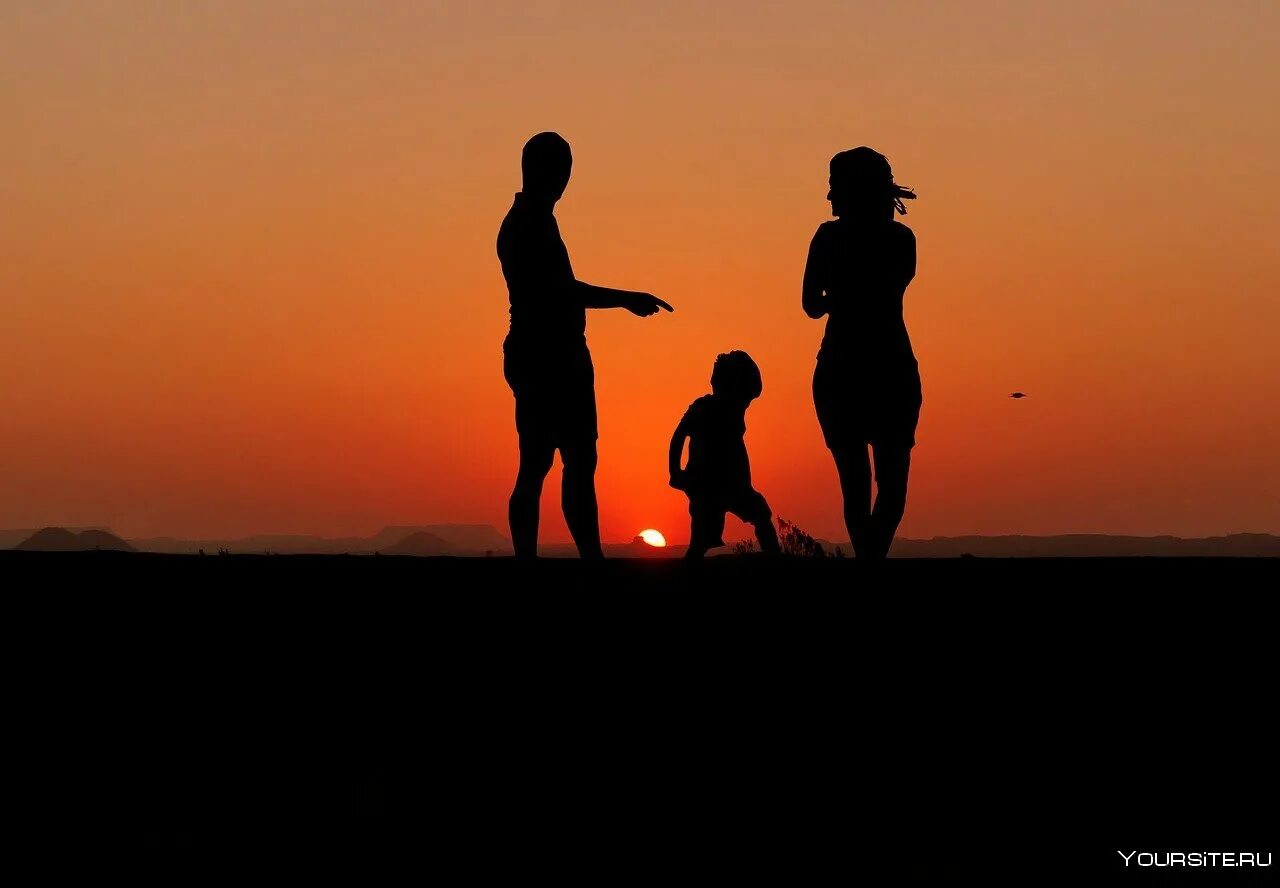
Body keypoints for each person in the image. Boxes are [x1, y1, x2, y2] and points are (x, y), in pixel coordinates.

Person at [499, 132, 672, 559]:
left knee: (570, 463)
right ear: (537, 170)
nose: (565, 178)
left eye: (567, 168)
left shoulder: (538, 220)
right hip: (547, 358)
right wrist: (627, 299)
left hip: (553, 355)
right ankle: (570, 562)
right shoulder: (526, 224)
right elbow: (562, 291)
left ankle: (582, 558)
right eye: (560, 168)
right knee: (548, 465)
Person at [802, 147, 920, 559]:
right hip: (885, 368)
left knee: (861, 483)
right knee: (885, 485)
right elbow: (884, 290)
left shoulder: (833, 238)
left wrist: (840, 295)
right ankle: (872, 563)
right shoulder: (899, 239)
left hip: (848, 368)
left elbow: (813, 305)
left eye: (834, 186)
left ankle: (868, 563)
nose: (829, 197)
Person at [668, 351, 779, 559]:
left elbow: (678, 437)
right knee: (701, 537)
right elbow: (678, 436)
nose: (746, 403)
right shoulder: (704, 408)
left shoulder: (734, 407)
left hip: (735, 485)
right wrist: (675, 471)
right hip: (706, 486)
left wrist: (676, 471)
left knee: (761, 514)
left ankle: (775, 557)